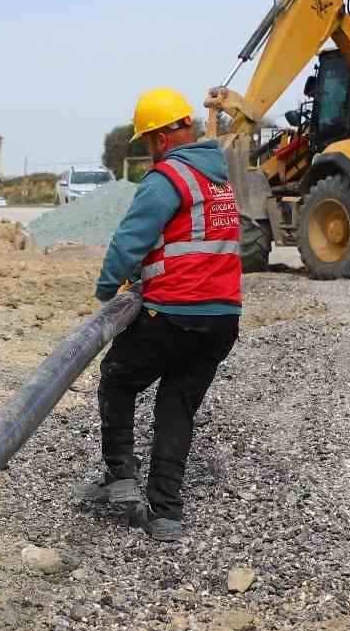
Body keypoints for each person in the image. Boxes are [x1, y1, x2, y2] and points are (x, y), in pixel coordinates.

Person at [78, 87, 242, 542]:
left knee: (117, 376)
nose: (150, 149)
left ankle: (121, 477)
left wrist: (108, 288)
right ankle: (166, 514)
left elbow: (131, 239)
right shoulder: (218, 182)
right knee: (177, 406)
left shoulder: (167, 178)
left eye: (148, 140)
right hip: (222, 319)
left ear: (160, 138)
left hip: (173, 311)